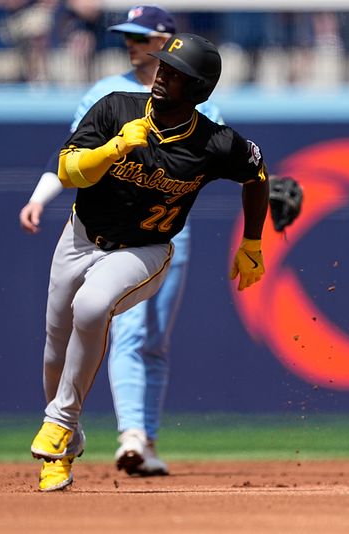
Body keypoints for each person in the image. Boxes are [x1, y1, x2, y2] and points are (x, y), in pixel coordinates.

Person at [29, 32, 275, 491]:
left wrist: (253, 242)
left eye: (176, 73)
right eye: (163, 66)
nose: (161, 74)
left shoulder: (214, 143)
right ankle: (66, 445)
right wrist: (114, 148)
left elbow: (257, 173)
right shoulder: (116, 108)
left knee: (93, 306)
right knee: (54, 349)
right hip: (80, 237)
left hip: (143, 250)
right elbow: (67, 171)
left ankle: (60, 421)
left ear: (198, 89)